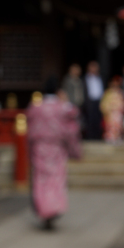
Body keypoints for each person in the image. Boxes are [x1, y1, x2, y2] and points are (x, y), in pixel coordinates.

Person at [26, 76, 83, 229]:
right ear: (58, 91)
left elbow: (29, 129)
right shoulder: (63, 108)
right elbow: (72, 127)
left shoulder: (35, 108)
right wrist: (75, 150)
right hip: (57, 149)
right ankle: (53, 209)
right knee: (56, 179)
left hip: (40, 148)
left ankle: (43, 209)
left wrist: (30, 149)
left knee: (41, 179)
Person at [100, 76, 124, 144]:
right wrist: (107, 110)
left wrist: (120, 109)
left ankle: (117, 138)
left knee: (118, 126)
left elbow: (123, 103)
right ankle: (110, 138)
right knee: (110, 126)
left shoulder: (120, 93)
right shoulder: (107, 93)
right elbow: (103, 103)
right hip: (110, 113)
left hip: (118, 112)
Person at [83, 60, 104, 140]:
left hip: (99, 101)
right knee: (90, 120)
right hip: (90, 102)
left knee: (98, 120)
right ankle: (90, 137)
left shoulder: (100, 78)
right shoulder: (85, 78)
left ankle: (98, 136)